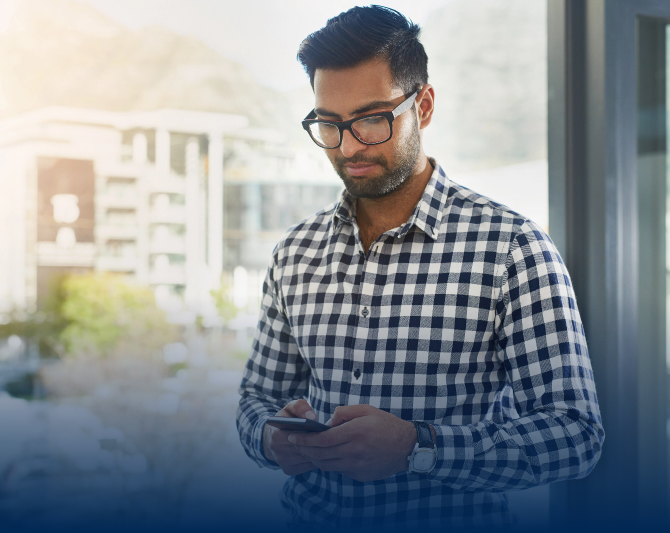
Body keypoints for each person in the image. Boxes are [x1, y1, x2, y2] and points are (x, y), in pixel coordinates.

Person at [236, 5, 603, 530]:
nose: (348, 146)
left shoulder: (512, 249)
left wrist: (418, 447)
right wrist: (273, 439)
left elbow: (575, 435)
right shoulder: (295, 253)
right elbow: (257, 400)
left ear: (423, 106)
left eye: (370, 119)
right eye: (329, 124)